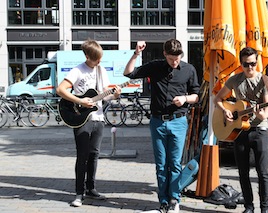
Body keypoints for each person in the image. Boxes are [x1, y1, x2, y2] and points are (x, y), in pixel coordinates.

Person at [124, 39, 200, 213]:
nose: (175, 62)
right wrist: (136, 53)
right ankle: (163, 201)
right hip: (158, 122)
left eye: (178, 58)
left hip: (178, 121)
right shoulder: (155, 66)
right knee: (161, 164)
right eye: (172, 58)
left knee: (174, 163)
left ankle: (175, 198)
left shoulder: (188, 69)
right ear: (165, 54)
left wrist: (185, 99)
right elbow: (128, 73)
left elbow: (197, 96)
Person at [56, 39, 121, 207]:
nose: (99, 62)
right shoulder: (77, 70)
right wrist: (80, 101)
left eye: (100, 58)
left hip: (98, 117)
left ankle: (91, 188)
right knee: (82, 156)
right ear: (87, 56)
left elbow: (104, 94)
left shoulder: (101, 70)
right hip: (81, 118)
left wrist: (114, 95)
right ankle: (79, 193)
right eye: (96, 59)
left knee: (94, 155)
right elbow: (60, 89)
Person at [213, 47, 268, 213]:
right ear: (241, 64)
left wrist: (262, 115)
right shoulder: (234, 80)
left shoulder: (264, 80)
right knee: (243, 172)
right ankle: (248, 207)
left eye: (253, 63)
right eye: (246, 64)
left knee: (263, 173)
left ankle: (264, 208)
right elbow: (218, 99)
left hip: (259, 129)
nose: (250, 68)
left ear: (257, 62)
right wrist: (225, 110)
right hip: (239, 130)